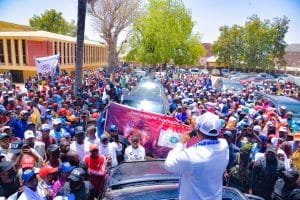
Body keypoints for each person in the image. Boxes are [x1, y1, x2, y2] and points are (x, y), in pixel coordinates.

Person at [164, 112, 229, 200]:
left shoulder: (191, 155)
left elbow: (168, 165)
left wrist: (181, 142)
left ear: (197, 132)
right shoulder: (224, 146)